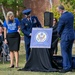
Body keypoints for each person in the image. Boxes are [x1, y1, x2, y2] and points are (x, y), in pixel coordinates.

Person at [56, 5, 74, 73]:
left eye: (58, 11)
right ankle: (69, 66)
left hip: (65, 36)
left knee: (64, 52)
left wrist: (58, 34)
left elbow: (59, 28)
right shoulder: (71, 15)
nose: (58, 12)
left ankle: (66, 67)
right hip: (71, 35)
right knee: (69, 51)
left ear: (61, 10)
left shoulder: (62, 17)